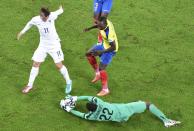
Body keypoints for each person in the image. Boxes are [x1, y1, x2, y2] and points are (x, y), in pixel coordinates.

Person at [17, 5, 72, 94]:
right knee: (35, 63)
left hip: (54, 45)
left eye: (43, 16)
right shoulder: (36, 19)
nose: (41, 17)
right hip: (43, 45)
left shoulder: (52, 16)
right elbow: (29, 23)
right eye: (40, 15)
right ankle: (29, 85)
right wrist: (22, 32)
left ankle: (69, 82)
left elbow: (59, 11)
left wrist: (61, 9)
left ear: (47, 16)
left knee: (59, 65)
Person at [60, 96, 181, 128]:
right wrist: (75, 98)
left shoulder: (91, 116)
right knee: (148, 104)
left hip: (121, 119)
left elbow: (81, 115)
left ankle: (137, 105)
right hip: (126, 109)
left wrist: (69, 109)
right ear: (95, 104)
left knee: (137, 103)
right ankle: (166, 121)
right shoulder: (100, 102)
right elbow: (87, 97)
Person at [84, 17, 118, 96]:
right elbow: (98, 25)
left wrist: (101, 52)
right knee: (88, 54)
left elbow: (114, 47)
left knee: (102, 68)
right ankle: (97, 74)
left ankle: (105, 89)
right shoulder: (104, 22)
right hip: (104, 44)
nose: (98, 26)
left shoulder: (109, 33)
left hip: (110, 50)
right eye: (97, 24)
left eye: (99, 25)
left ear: (104, 24)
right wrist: (89, 28)